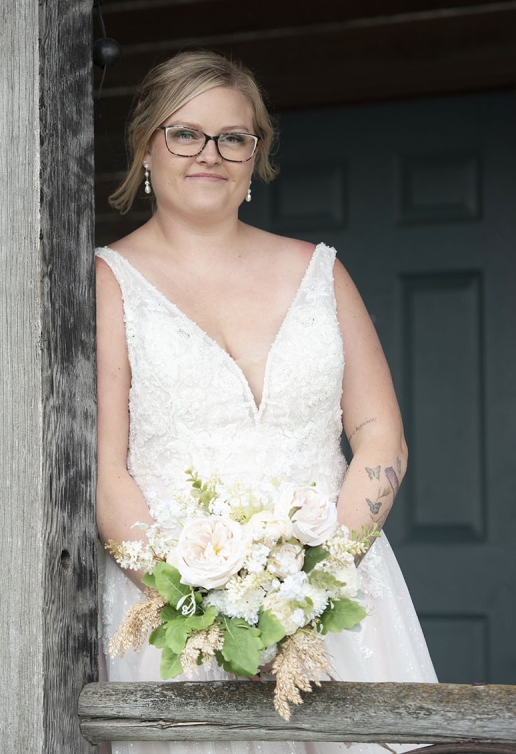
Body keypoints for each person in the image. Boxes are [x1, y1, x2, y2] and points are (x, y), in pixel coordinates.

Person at [95, 50, 437, 754]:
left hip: (336, 605)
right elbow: (105, 471)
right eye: (185, 134)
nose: (210, 153)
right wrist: (200, 609)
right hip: (174, 616)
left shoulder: (321, 271)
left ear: (256, 155)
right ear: (146, 147)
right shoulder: (106, 282)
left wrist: (317, 585)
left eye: (234, 137)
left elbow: (381, 437)